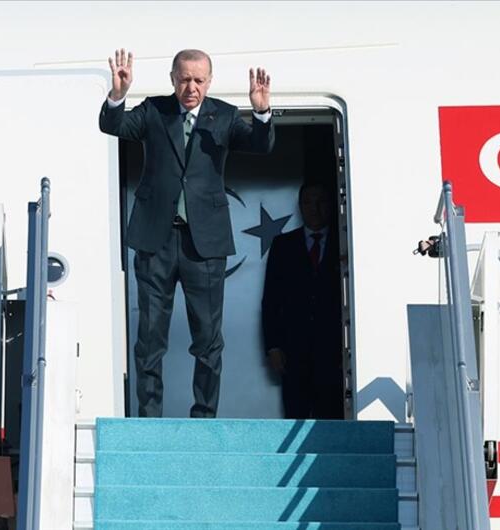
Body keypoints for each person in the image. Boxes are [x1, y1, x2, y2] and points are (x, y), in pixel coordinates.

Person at [99, 49, 274, 418]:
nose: (191, 87)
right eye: (184, 79)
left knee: (208, 339)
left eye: (198, 80)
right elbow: (114, 127)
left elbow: (262, 145)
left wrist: (261, 113)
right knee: (150, 338)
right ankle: (149, 420)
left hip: (205, 245)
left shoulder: (224, 115)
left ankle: (204, 418)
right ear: (172, 79)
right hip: (155, 241)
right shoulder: (154, 110)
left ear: (209, 82)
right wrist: (118, 95)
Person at [262, 183, 344, 419]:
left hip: (333, 352)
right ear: (300, 206)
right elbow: (271, 300)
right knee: (295, 415)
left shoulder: (344, 242)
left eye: (321, 202)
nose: (314, 208)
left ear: (330, 205)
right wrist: (273, 347)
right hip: (293, 352)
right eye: (308, 202)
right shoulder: (283, 245)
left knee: (331, 419)